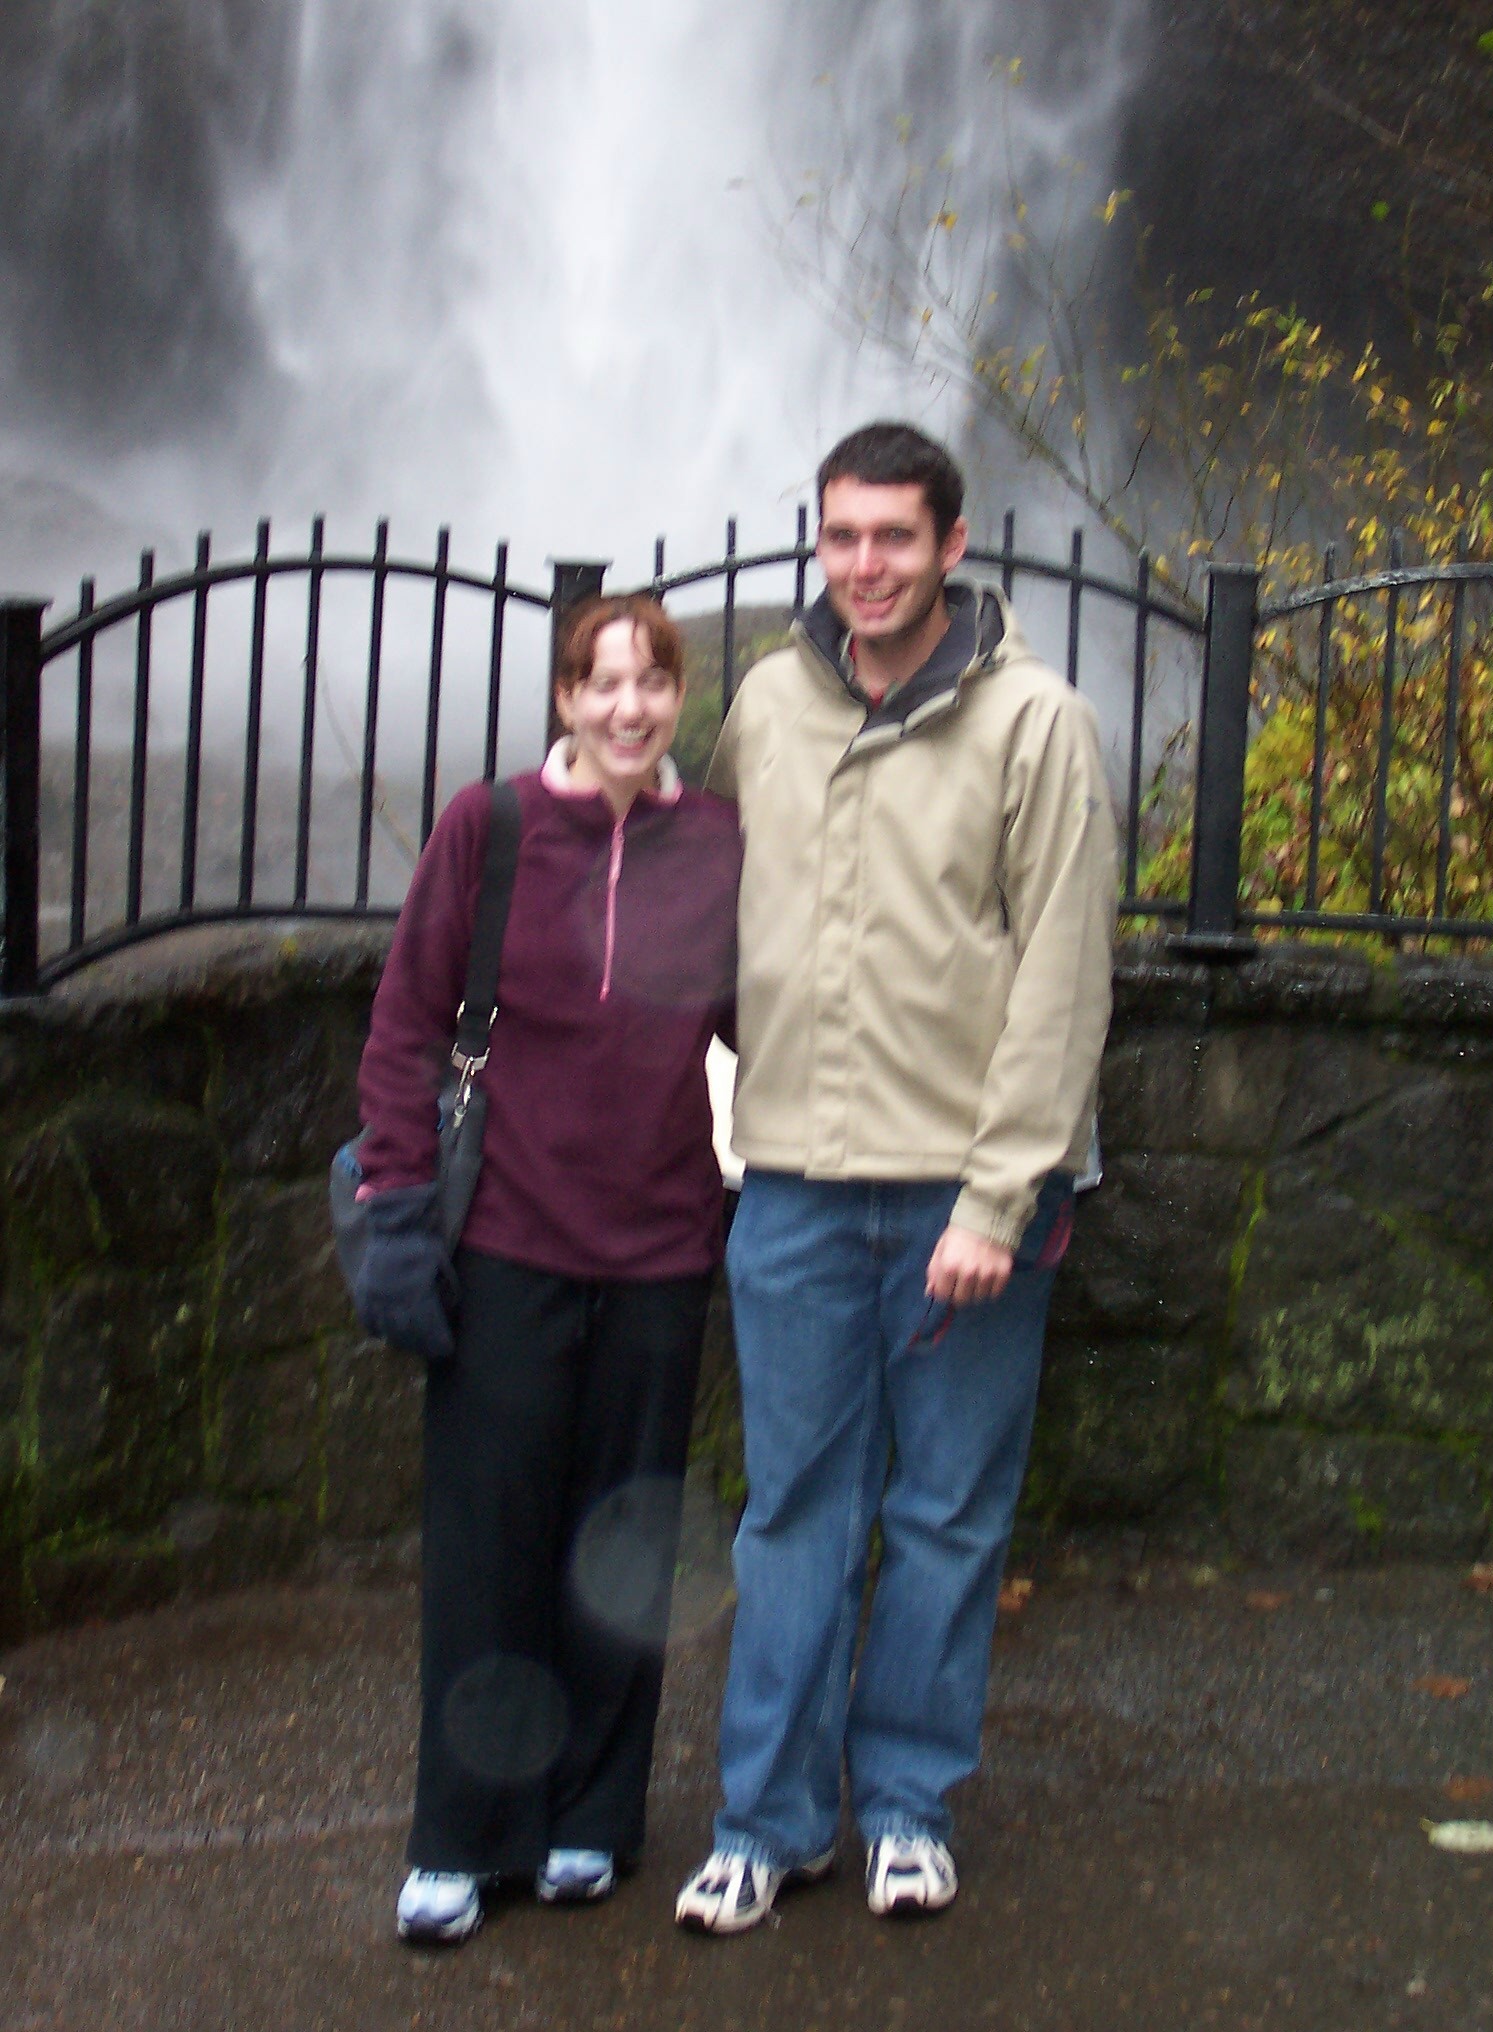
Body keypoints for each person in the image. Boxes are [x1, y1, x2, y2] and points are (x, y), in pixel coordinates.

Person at [675, 422, 1117, 1934]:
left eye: (895, 537)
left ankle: (910, 1808)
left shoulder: (1036, 722)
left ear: (953, 545)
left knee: (944, 1515)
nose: (866, 566)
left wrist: (1001, 1200)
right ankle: (769, 1821)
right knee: (791, 1511)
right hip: (795, 1182)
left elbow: (1063, 974)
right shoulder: (767, 705)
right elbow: (708, 909)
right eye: (842, 536)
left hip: (963, 1192)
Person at [353, 593, 740, 1944]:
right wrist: (399, 1204)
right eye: (602, 683)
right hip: (509, 1240)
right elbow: (406, 1025)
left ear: (679, 698)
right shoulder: (493, 825)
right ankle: (464, 1836)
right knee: (490, 1543)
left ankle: (591, 1816)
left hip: (660, 1247)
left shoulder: (716, 842)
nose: (629, 708)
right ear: (566, 699)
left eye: (652, 682)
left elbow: (761, 1021)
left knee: (625, 1545)